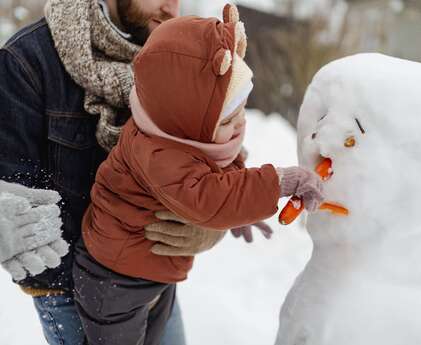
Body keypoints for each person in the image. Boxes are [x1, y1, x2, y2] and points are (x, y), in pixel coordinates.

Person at [73, 5, 325, 345]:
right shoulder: (160, 155)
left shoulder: (179, 133)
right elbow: (210, 198)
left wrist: (242, 211)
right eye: (226, 120)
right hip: (114, 283)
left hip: (149, 275)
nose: (240, 125)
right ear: (187, 120)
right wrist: (277, 184)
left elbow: (221, 182)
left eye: (241, 110)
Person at [0, 0, 239, 344]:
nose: (173, 8)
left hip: (158, 278)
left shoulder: (177, 56)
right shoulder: (28, 61)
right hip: (76, 297)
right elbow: (14, 193)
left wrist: (212, 221)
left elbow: (211, 154)